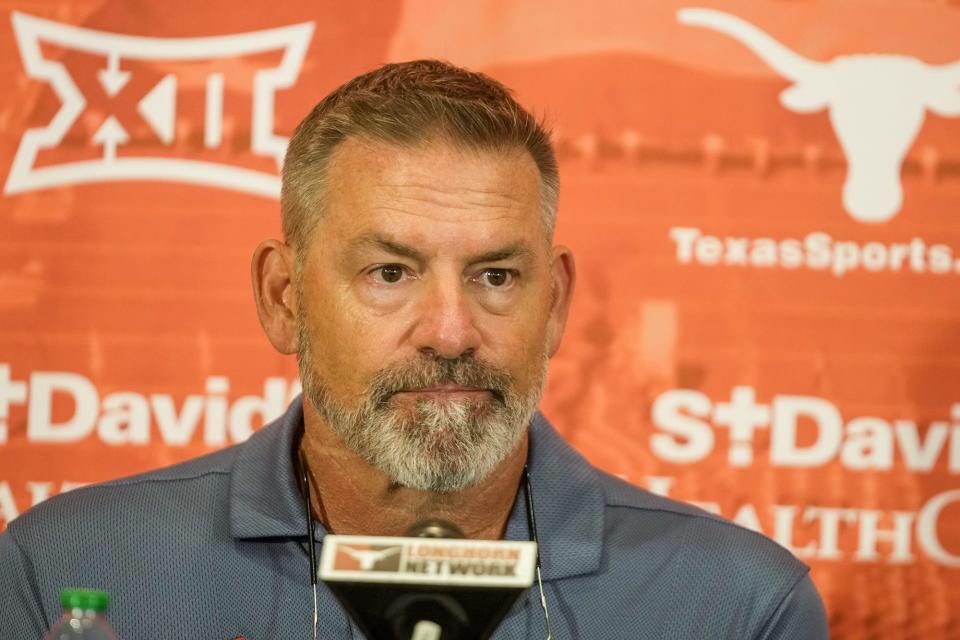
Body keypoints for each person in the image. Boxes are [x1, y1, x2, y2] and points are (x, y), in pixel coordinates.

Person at [0, 60, 829, 639]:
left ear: (556, 306)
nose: (450, 331)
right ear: (283, 298)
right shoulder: (62, 567)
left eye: (497, 276)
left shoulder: (738, 604)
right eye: (390, 271)